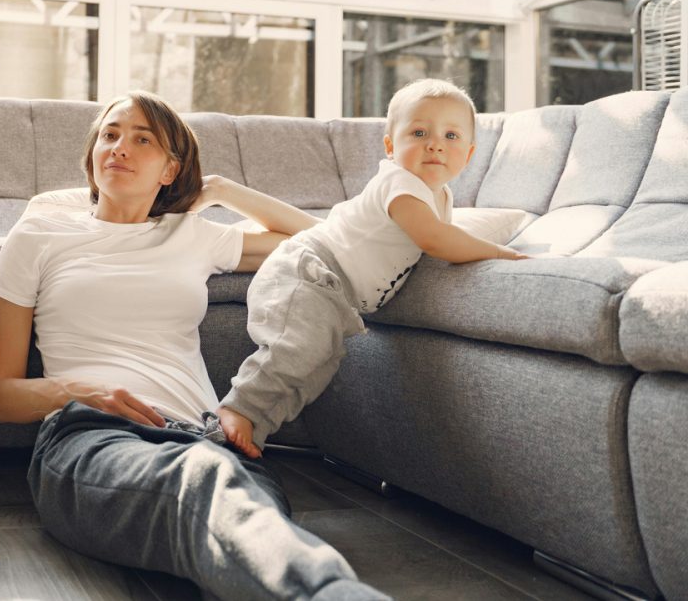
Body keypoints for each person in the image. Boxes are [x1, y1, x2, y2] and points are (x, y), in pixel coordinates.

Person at [0, 90, 387, 601]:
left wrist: (219, 188)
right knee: (205, 489)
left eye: (141, 139)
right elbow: (1, 396)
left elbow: (325, 237)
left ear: (170, 170)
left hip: (210, 440)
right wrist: (79, 391)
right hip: (93, 438)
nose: (119, 147)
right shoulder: (39, 234)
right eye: (109, 135)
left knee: (236, 530)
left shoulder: (193, 234)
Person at [219, 78, 528, 459]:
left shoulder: (441, 196)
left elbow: (437, 237)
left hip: (334, 291)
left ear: (469, 154)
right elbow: (435, 239)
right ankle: (238, 409)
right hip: (309, 270)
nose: (435, 143)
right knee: (298, 349)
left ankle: (255, 426)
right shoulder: (401, 183)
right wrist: (500, 254)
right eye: (419, 132)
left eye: (451, 135)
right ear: (390, 146)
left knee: (318, 363)